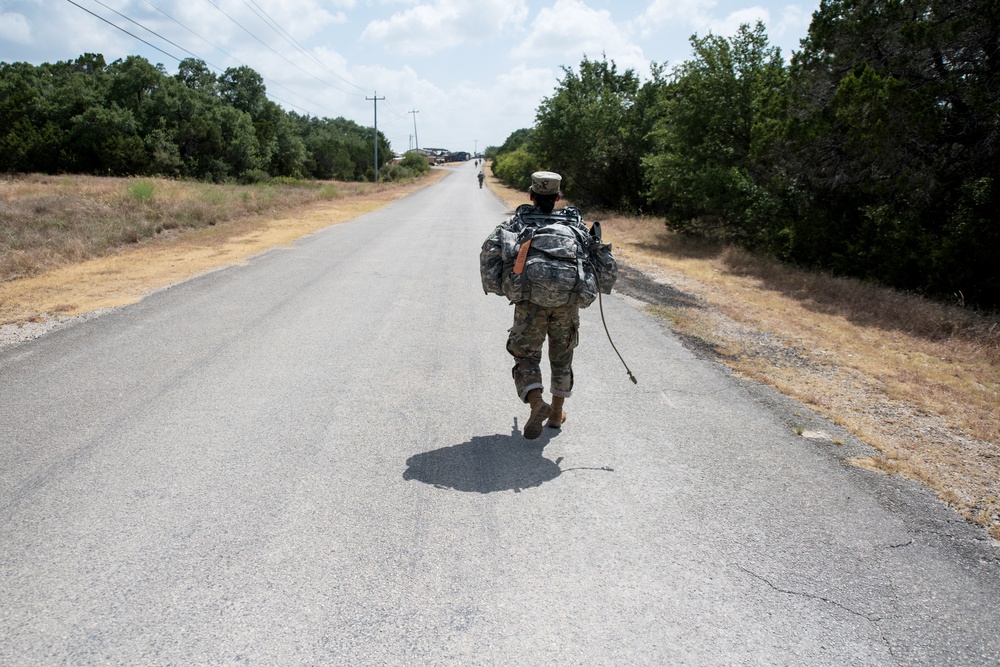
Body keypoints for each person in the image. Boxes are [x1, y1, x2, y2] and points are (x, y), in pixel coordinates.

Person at [502, 171, 578, 439]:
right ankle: (556, 413)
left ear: (531, 196)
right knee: (562, 356)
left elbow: (498, 258)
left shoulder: (518, 225)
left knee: (526, 355)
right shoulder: (574, 227)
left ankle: (537, 403)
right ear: (558, 197)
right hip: (566, 304)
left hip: (530, 302)